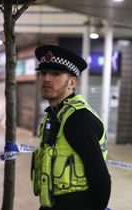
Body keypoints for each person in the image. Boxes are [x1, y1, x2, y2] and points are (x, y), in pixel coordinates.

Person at [31, 45, 111, 210]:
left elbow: (101, 178)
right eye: (44, 73)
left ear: (72, 82)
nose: (46, 78)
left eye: (55, 74)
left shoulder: (78, 118)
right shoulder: (54, 115)